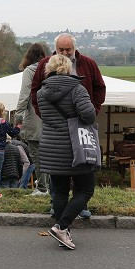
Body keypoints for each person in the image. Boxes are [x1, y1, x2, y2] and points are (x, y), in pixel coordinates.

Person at [30, 34, 105, 218]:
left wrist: (92, 110)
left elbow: (99, 88)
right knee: (62, 177)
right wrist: (45, 115)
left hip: (80, 127)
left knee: (77, 170)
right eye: (61, 50)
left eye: (68, 49)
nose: (64, 53)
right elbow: (35, 91)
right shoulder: (45, 64)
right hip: (57, 129)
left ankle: (75, 209)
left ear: (74, 49)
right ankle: (61, 213)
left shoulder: (88, 64)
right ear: (55, 49)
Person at [37, 54, 97, 250]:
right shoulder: (77, 89)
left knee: (60, 191)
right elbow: (89, 115)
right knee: (86, 189)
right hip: (75, 146)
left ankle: (64, 231)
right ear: (69, 68)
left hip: (52, 146)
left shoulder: (41, 92)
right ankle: (61, 227)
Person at [16, 42, 50, 197]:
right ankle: (49, 186)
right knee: (50, 155)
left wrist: (18, 115)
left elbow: (25, 94)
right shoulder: (50, 69)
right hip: (51, 119)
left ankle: (43, 187)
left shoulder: (30, 70)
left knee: (37, 155)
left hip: (35, 117)